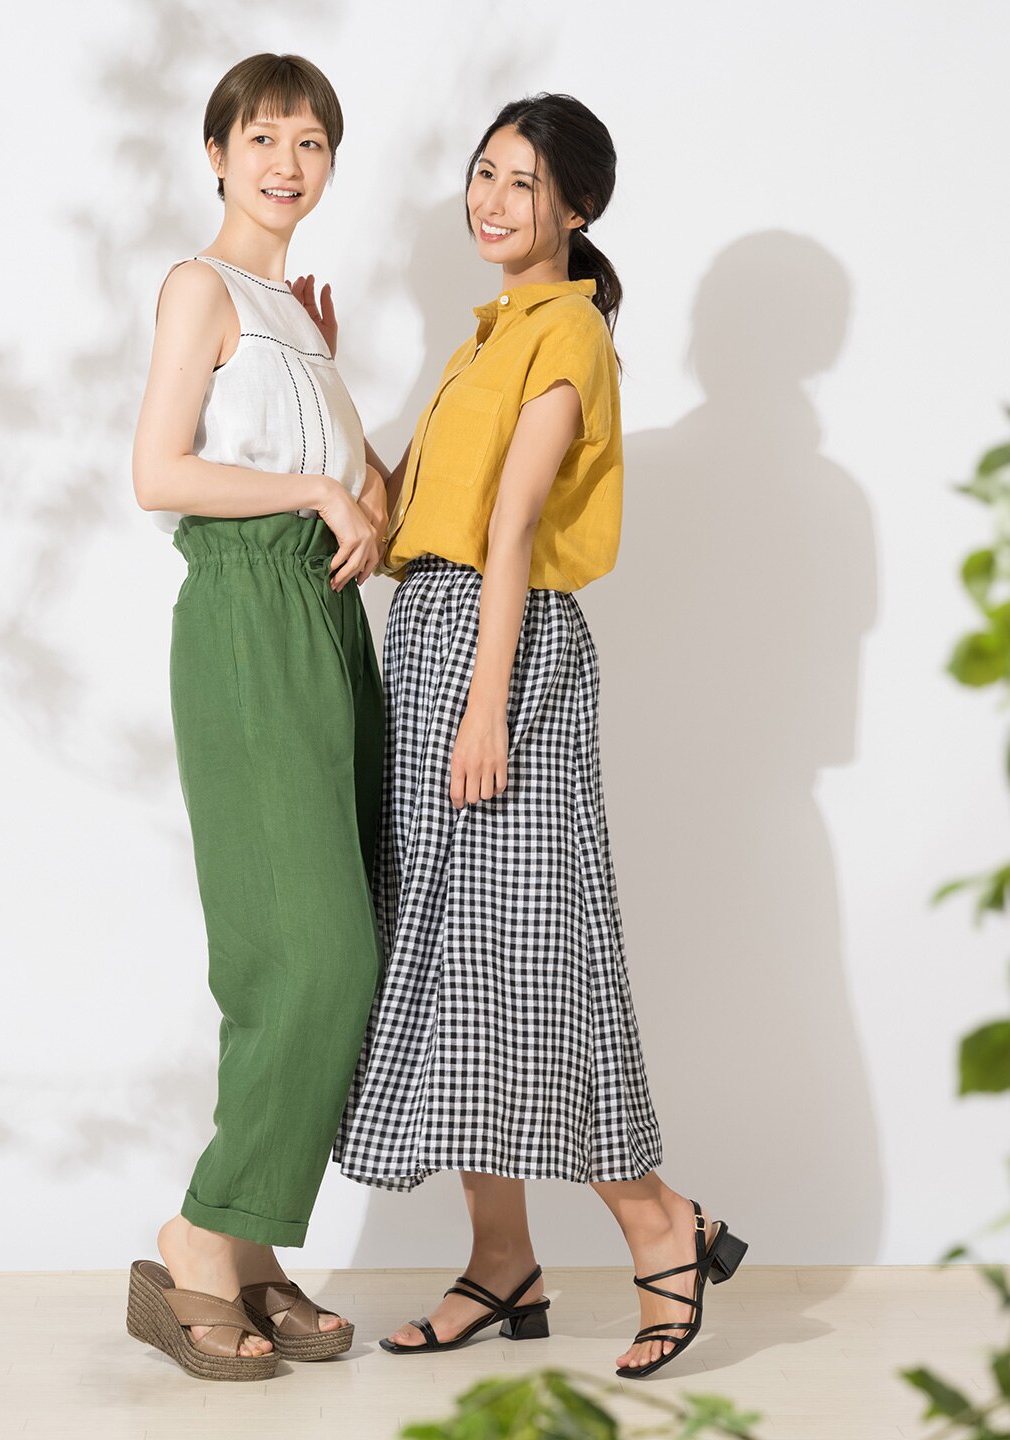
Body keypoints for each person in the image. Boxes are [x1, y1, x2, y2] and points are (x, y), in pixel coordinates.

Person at [318, 92, 748, 1380]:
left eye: (523, 182)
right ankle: (502, 1262)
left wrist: (486, 704)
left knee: (543, 958)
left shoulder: (567, 332)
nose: (492, 200)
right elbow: (401, 512)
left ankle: (661, 1224)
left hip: (502, 660)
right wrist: (329, 373)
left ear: (577, 207)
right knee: (452, 959)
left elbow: (510, 536)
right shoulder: (488, 336)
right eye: (485, 173)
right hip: (435, 639)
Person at [124, 53, 387, 1382]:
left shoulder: (298, 317)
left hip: (329, 627)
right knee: (310, 952)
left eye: (313, 142)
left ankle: (248, 1243)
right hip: (244, 616)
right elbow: (157, 472)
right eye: (265, 137)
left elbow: (379, 511)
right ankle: (198, 1237)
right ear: (218, 153)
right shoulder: (201, 287)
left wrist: (349, 437)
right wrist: (312, 490)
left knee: (327, 952)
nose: (289, 163)